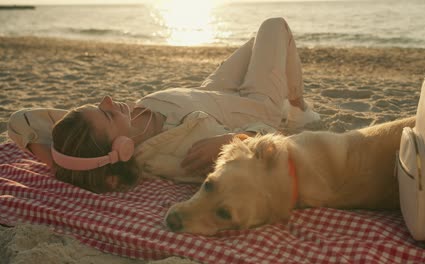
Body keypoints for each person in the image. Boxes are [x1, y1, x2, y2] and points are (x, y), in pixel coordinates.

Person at [7, 17, 320, 193]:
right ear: (123, 148)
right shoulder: (180, 148)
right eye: (106, 112)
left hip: (207, 91)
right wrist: (232, 140)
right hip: (251, 105)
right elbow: (268, 145)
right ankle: (296, 108)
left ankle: (292, 101)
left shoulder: (97, 138)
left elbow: (21, 122)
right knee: (274, 27)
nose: (107, 99)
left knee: (260, 40)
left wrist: (66, 162)